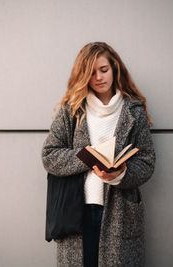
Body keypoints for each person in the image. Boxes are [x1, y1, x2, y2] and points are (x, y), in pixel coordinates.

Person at [42, 42, 156, 267]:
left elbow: (147, 161)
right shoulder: (72, 110)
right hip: (78, 212)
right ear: (83, 75)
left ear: (114, 69)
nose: (98, 77)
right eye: (91, 72)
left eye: (104, 70)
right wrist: (89, 156)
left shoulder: (134, 111)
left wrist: (121, 174)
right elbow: (49, 155)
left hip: (120, 213)